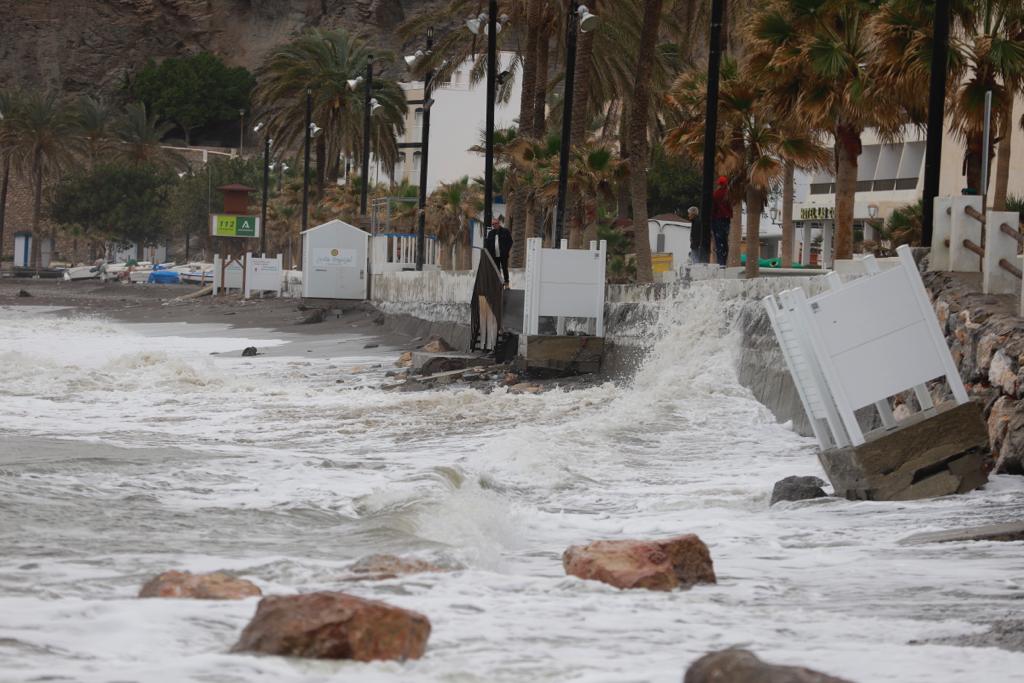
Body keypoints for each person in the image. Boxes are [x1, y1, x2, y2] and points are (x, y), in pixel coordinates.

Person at [484, 216, 513, 286]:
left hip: (503, 254)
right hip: (494, 255)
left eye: (496, 223)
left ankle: (506, 283)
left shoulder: (505, 231)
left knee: (504, 268)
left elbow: (510, 242)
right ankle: (499, 282)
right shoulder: (491, 233)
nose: (494, 225)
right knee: (496, 269)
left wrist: (506, 251)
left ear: (499, 223)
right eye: (493, 224)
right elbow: (487, 244)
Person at [711, 175, 732, 266]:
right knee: (724, 240)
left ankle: (721, 262)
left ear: (719, 184)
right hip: (726, 220)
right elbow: (730, 207)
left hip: (717, 220)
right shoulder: (728, 194)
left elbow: (713, 209)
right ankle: (724, 260)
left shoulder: (716, 194)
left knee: (719, 242)